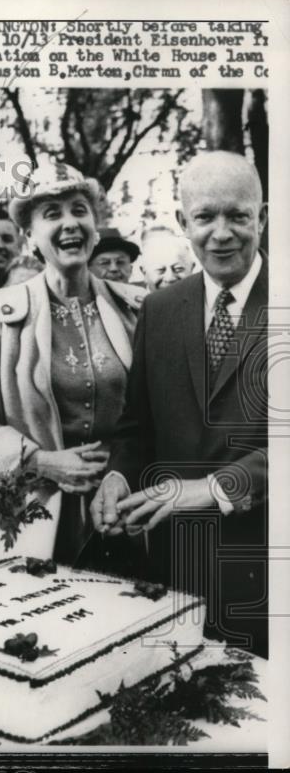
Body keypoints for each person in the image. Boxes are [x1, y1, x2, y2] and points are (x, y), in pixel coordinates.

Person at [92, 151, 268, 658]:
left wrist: (212, 489)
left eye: (238, 215)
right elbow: (135, 427)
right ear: (182, 222)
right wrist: (118, 477)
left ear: (265, 216)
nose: (222, 233)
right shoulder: (160, 309)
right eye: (205, 216)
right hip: (172, 577)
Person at [0, 163, 146, 570]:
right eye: (52, 214)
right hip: (30, 519)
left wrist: (124, 472)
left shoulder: (138, 308)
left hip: (125, 512)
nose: (70, 223)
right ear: (29, 236)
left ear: (96, 225)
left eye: (79, 210)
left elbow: (158, 413)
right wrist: (38, 460)